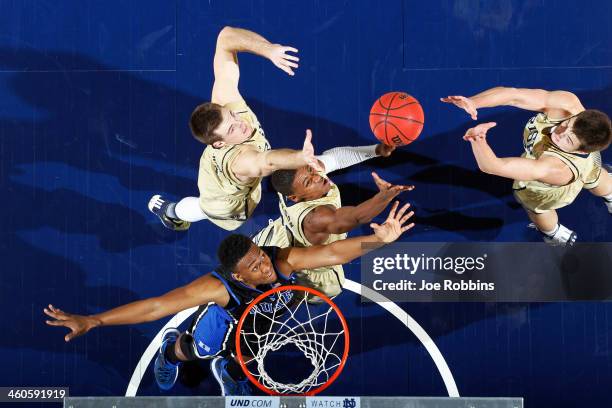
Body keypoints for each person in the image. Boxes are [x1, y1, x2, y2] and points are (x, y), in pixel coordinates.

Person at [44, 203, 415, 395]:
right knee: (200, 351)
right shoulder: (218, 287)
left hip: (262, 325)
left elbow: (335, 255)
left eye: (262, 256)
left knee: (249, 357)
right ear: (238, 276)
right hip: (222, 325)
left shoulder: (281, 258)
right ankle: (172, 352)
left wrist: (379, 241)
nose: (266, 266)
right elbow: (157, 306)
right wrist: (94, 320)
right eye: (255, 266)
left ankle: (231, 370)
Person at [149, 26, 321, 232]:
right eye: (232, 129)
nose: (241, 123)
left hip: (210, 168)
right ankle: (172, 213)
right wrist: (300, 157)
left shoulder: (226, 103)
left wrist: (269, 50)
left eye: (232, 116)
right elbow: (267, 160)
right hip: (226, 205)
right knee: (203, 207)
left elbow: (225, 37)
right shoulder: (240, 160)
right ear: (220, 143)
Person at [442, 87, 612, 245]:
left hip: (551, 187)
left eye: (568, 139)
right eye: (566, 125)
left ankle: (553, 233)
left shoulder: (552, 168)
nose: (558, 132)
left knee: (537, 208)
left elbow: (494, 166)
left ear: (581, 151)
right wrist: (473, 102)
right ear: (577, 115)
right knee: (595, 172)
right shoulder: (567, 104)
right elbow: (513, 95)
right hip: (585, 162)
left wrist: (477, 140)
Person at [254, 143, 413, 299]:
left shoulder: (295, 179)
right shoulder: (317, 218)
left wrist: (376, 150)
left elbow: (334, 158)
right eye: (308, 182)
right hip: (310, 273)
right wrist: (382, 198)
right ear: (294, 198)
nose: (317, 177)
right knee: (325, 292)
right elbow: (356, 216)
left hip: (276, 237)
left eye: (311, 170)